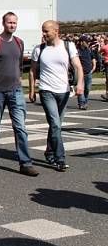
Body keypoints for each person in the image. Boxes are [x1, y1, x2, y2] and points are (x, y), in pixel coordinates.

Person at [0, 12, 39, 176]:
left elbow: (18, 67)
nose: (12, 25)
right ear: (3, 23)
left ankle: (25, 163)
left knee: (20, 127)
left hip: (16, 91)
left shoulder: (19, 43)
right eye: (9, 22)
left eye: (14, 23)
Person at [29, 21, 84, 171]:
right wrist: (32, 90)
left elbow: (78, 66)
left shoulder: (68, 46)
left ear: (56, 31)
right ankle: (60, 158)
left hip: (64, 91)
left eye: (46, 31)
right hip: (46, 90)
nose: (44, 34)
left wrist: (80, 84)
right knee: (55, 124)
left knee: (56, 126)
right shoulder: (39, 49)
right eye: (43, 31)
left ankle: (49, 151)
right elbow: (33, 71)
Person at [76, 35, 96, 110]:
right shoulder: (77, 51)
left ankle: (85, 101)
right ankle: (82, 103)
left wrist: (93, 67)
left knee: (87, 88)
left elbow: (93, 58)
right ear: (81, 42)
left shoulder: (89, 50)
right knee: (81, 88)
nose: (87, 43)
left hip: (88, 72)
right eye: (86, 41)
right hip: (80, 73)